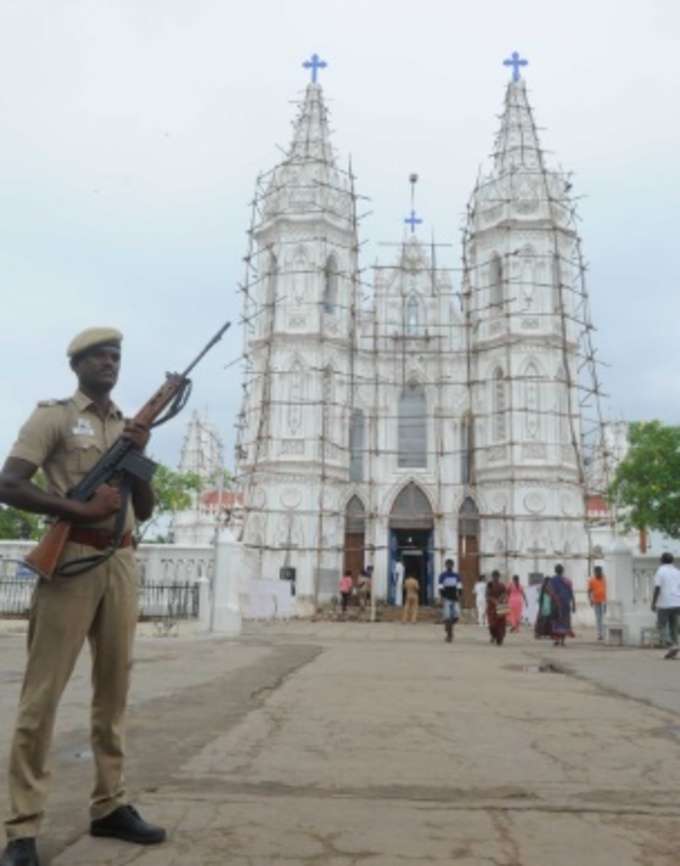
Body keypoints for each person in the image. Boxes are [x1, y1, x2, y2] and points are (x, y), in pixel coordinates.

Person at [0, 328, 166, 866]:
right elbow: (10, 484)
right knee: (41, 697)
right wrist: (80, 510)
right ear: (78, 363)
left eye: (117, 356)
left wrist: (138, 457)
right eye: (100, 355)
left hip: (120, 560)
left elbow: (146, 506)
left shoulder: (127, 425)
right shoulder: (52, 417)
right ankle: (22, 828)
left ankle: (110, 804)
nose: (110, 363)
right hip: (70, 560)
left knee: (114, 690)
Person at [651, 553, 680, 659]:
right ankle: (674, 649)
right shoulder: (677, 571)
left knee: (661, 626)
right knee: (674, 627)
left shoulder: (660, 571)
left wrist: (653, 603)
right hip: (677, 602)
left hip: (664, 603)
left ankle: (672, 645)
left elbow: (657, 588)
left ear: (662, 560)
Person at [549, 564, 575, 647]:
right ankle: (563, 641)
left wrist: (553, 598)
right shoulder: (567, 581)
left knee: (556, 621)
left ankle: (556, 640)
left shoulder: (552, 580)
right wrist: (574, 604)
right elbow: (571, 593)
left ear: (555, 571)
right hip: (566, 603)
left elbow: (550, 591)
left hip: (556, 603)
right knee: (565, 622)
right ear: (562, 571)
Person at [438, 558, 462, 643]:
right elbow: (440, 588)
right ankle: (449, 634)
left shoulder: (456, 575)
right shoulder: (442, 575)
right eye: (448, 564)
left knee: (456, 617)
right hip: (446, 598)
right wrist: (441, 598)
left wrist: (459, 596)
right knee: (448, 617)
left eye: (450, 564)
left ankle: (448, 627)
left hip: (455, 599)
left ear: (453, 565)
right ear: (445, 565)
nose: (449, 566)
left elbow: (459, 587)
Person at [486, 571, 508, 646]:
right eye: (494, 576)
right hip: (491, 607)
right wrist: (494, 601)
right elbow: (487, 595)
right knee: (492, 624)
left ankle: (500, 638)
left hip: (501, 605)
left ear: (499, 577)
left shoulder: (502, 585)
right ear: (492, 577)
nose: (495, 578)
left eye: (497, 576)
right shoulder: (489, 584)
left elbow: (505, 594)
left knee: (502, 623)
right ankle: (493, 635)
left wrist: (501, 599)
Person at [587, 565, 608, 641]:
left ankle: (604, 633)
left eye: (599, 572)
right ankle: (599, 634)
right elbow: (589, 591)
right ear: (594, 572)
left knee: (604, 617)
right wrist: (590, 600)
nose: (598, 573)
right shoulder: (592, 580)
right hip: (596, 601)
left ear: (601, 572)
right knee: (598, 618)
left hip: (604, 600)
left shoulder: (605, 579)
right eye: (596, 572)